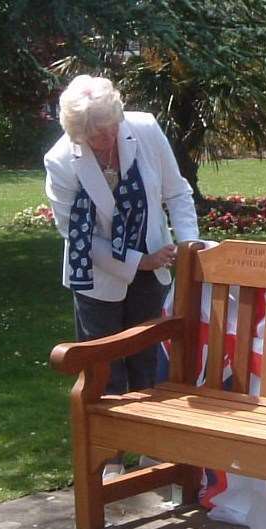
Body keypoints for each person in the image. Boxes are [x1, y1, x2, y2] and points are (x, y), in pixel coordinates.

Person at [44, 75, 200, 476]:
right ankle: (109, 457)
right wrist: (136, 262)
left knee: (145, 362)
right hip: (96, 275)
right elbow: (74, 234)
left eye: (108, 130)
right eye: (92, 137)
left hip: (155, 264)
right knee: (104, 366)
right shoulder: (61, 160)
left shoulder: (144, 128)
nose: (103, 142)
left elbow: (176, 192)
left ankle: (149, 450)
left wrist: (189, 248)